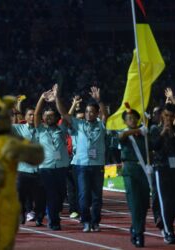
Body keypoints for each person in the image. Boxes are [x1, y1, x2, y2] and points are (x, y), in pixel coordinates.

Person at [56, 86, 108, 232]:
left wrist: (100, 100)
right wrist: (57, 97)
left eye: (92, 112)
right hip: (81, 165)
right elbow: (64, 114)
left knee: (97, 197)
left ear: (96, 113)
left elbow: (106, 115)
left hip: (98, 165)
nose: (88, 114)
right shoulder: (79, 125)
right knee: (83, 195)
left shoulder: (101, 125)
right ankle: (85, 221)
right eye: (86, 112)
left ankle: (95, 221)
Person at [34, 85, 69, 230]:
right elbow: (35, 114)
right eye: (46, 116)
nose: (49, 118)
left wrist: (56, 98)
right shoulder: (40, 129)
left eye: (51, 116)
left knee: (61, 195)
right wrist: (42, 98)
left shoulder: (62, 128)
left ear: (56, 117)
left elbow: (65, 115)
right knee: (52, 195)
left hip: (61, 167)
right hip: (46, 168)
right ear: (43, 118)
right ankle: (54, 222)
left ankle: (55, 212)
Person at [118, 106, 149, 247]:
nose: (132, 120)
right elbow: (121, 137)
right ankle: (138, 232)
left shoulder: (145, 134)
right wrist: (138, 130)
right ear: (125, 122)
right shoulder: (125, 133)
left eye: (134, 118)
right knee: (135, 203)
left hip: (144, 170)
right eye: (128, 119)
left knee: (144, 204)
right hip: (130, 171)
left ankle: (136, 227)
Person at [12, 105, 46, 227]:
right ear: (25, 117)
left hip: (39, 169)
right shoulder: (17, 128)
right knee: (20, 195)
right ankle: (21, 213)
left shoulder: (42, 129)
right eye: (29, 114)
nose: (32, 117)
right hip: (23, 169)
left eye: (34, 114)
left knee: (40, 197)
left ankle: (39, 217)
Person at [150, 103, 175, 245]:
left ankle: (168, 226)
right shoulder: (155, 129)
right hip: (161, 169)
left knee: (174, 203)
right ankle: (168, 232)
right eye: (166, 115)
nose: (168, 119)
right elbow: (154, 146)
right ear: (162, 115)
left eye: (171, 116)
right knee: (165, 202)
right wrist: (163, 133)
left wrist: (173, 135)